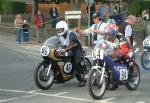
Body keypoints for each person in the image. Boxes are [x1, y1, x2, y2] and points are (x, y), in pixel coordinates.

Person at [103, 19, 135, 90]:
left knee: (127, 58)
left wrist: (117, 54)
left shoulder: (120, 37)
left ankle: (132, 73)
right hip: (115, 52)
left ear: (113, 33)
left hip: (127, 50)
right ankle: (113, 81)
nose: (108, 37)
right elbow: (103, 45)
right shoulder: (107, 37)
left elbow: (124, 50)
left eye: (109, 35)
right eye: (107, 35)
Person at [56, 21, 86, 87]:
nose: (59, 31)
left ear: (65, 28)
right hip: (66, 49)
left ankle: (82, 78)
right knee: (58, 60)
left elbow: (72, 44)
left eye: (61, 29)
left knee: (77, 62)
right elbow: (57, 43)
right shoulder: (60, 36)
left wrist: (64, 50)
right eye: (58, 29)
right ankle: (61, 77)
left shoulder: (71, 34)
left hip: (76, 49)